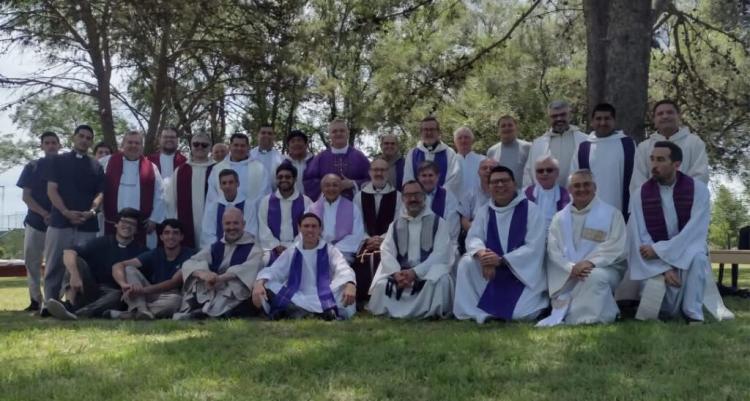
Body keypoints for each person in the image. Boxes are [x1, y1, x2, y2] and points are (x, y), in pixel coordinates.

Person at [627, 142, 733, 323]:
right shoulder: (640, 194)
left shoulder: (698, 190)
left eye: (660, 160)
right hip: (654, 265)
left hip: (687, 256)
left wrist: (660, 251)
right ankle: (665, 309)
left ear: (676, 164)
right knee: (655, 309)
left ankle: (693, 314)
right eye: (652, 159)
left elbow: (694, 232)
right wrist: (664, 268)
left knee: (699, 257)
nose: (654, 165)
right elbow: (640, 235)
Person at [453, 166, 548, 323]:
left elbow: (534, 247)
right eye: (495, 182)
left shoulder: (531, 211)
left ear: (514, 183)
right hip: (490, 271)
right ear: (489, 187)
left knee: (521, 315)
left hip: (520, 273)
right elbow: (473, 237)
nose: (500, 185)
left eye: (504, 181)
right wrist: (483, 255)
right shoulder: (485, 211)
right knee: (466, 262)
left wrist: (501, 260)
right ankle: (474, 311)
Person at [539, 170, 627, 326]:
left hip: (604, 267)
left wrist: (590, 263)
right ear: (570, 190)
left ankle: (590, 319)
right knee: (587, 275)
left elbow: (617, 244)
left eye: (586, 184)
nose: (582, 189)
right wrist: (570, 267)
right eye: (576, 186)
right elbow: (553, 249)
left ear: (595, 187)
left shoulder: (612, 214)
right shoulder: (559, 218)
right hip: (566, 272)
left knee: (593, 276)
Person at [368, 180, 454, 319]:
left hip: (425, 272)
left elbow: (441, 253)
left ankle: (429, 312)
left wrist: (415, 272)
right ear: (402, 199)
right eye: (408, 195)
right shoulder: (395, 225)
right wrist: (396, 273)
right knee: (382, 285)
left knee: (441, 282)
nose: (413, 199)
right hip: (401, 274)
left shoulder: (439, 223)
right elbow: (387, 251)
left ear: (424, 197)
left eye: (417, 194)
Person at [43, 125, 105, 312]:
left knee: (80, 266)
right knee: (54, 265)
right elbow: (51, 190)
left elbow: (100, 193)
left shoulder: (96, 165)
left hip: (87, 225)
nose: (84, 140)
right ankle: (49, 303)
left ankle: (72, 304)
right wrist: (65, 212)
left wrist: (92, 211)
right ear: (74, 137)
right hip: (60, 222)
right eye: (81, 136)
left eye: (88, 138)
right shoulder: (57, 161)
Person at [44, 208, 148, 320]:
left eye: (132, 224)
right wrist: (75, 275)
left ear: (136, 230)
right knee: (76, 261)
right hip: (90, 289)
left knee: (118, 297)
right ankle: (70, 303)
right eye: (123, 222)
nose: (127, 226)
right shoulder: (101, 242)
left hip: (117, 294)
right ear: (116, 224)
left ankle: (77, 312)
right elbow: (68, 252)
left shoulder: (142, 251)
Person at [252, 212, 357, 320]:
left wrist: (350, 284)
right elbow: (275, 270)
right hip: (297, 295)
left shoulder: (330, 250)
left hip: (325, 294)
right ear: (299, 228)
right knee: (269, 284)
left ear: (320, 229)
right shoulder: (293, 250)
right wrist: (259, 283)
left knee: (342, 290)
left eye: (314, 226)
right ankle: (319, 313)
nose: (310, 230)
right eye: (306, 226)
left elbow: (343, 268)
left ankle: (297, 312)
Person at [175, 207, 264, 319]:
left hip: (232, 289)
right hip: (213, 286)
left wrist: (219, 279)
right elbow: (190, 262)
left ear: (243, 224)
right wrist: (204, 275)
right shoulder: (216, 246)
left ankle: (207, 313)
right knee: (196, 278)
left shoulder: (254, 248)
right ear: (222, 225)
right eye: (228, 224)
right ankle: (202, 310)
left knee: (236, 286)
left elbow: (250, 269)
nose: (231, 227)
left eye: (236, 223)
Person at [111, 219, 195, 319]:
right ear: (161, 237)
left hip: (171, 295)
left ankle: (131, 314)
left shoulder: (189, 254)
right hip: (151, 294)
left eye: (175, 233)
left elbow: (174, 282)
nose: (171, 237)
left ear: (181, 237)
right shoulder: (155, 253)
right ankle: (142, 310)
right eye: (167, 233)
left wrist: (142, 291)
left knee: (175, 302)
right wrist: (124, 285)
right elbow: (118, 265)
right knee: (129, 269)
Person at [101, 130, 166, 248]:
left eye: (137, 143)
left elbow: (160, 194)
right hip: (112, 223)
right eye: (129, 142)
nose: (133, 146)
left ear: (142, 146)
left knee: (139, 260)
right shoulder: (107, 162)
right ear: (123, 144)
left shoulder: (151, 167)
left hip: (141, 226)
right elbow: (96, 188)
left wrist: (154, 219)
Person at [17, 131, 60, 311]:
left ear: (59, 145)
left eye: (54, 142)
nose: (50, 145)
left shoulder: (65, 167)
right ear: (42, 146)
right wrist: (43, 213)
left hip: (59, 224)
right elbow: (26, 197)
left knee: (57, 263)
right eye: (47, 143)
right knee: (32, 262)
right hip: (35, 222)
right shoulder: (32, 167)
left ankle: (55, 300)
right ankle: (35, 300)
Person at [630, 99, 709, 193]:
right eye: (660, 114)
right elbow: (638, 180)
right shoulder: (644, 147)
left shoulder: (694, 142)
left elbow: (700, 175)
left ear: (678, 116)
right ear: (654, 120)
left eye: (670, 112)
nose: (665, 116)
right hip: (652, 203)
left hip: (686, 202)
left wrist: (679, 196)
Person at [570, 103, 635, 215]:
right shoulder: (583, 148)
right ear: (592, 122)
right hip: (590, 210)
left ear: (614, 120)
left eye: (607, 118)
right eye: (598, 119)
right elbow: (573, 179)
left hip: (621, 209)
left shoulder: (628, 144)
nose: (602, 122)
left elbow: (636, 178)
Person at [352, 159, 401, 307]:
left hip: (389, 242)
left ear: (388, 173)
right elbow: (356, 223)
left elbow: (398, 222)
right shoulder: (359, 196)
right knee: (364, 261)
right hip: (366, 242)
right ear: (370, 172)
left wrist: (382, 239)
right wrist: (368, 239)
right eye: (375, 170)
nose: (379, 173)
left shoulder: (398, 196)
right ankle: (363, 298)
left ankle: (384, 299)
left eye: (383, 170)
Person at [206, 133, 269, 233]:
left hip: (252, 220)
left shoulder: (259, 168)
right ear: (230, 147)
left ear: (248, 147)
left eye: (242, 145)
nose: (239, 148)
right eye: (236, 145)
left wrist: (250, 210)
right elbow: (212, 197)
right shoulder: (217, 169)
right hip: (224, 220)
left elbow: (265, 195)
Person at [165, 132, 215, 248]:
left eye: (204, 145)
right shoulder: (181, 170)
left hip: (211, 223)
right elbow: (171, 200)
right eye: (196, 144)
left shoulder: (217, 169)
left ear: (210, 147)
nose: (199, 147)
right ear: (191, 146)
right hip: (186, 224)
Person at [523, 100, 587, 188]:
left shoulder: (584, 140)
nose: (559, 119)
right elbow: (528, 174)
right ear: (549, 118)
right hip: (545, 197)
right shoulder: (538, 144)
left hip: (577, 195)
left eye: (562, 115)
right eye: (554, 116)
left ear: (569, 115)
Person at [257, 164, 313, 264]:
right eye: (280, 177)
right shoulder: (266, 201)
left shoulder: (306, 202)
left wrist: (291, 247)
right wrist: (275, 245)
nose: (284, 179)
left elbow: (308, 228)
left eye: (288, 177)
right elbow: (263, 227)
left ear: (295, 179)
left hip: (298, 246)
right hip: (272, 248)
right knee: (263, 263)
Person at [303, 119, 370, 200]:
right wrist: (329, 186)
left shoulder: (359, 157)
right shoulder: (320, 158)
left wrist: (353, 183)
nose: (338, 133)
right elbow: (309, 181)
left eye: (342, 131)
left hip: (353, 205)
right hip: (326, 205)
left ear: (347, 133)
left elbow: (371, 180)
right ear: (330, 135)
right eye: (334, 131)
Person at [306, 174, 365, 262]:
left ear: (340, 188)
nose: (331, 189)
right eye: (327, 185)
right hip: (316, 250)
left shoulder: (352, 208)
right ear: (322, 188)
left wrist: (333, 249)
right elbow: (305, 231)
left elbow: (357, 234)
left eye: (335, 185)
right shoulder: (312, 209)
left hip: (343, 252)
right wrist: (321, 247)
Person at [403, 116, 462, 196]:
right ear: (421, 132)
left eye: (432, 129)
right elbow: (408, 178)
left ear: (438, 132)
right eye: (425, 130)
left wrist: (438, 195)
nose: (429, 133)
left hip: (443, 200)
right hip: (418, 200)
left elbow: (454, 179)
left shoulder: (449, 153)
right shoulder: (412, 153)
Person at [200, 169, 255, 247]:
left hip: (242, 247)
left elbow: (251, 230)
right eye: (224, 183)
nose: (227, 186)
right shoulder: (213, 207)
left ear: (238, 183)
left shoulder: (248, 205)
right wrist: (220, 248)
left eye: (231, 182)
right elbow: (207, 233)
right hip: (218, 249)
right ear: (220, 186)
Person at [416, 161, 460, 242]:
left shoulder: (448, 196)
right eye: (424, 176)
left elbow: (453, 226)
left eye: (431, 175)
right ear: (418, 177)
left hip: (444, 242)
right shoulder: (413, 196)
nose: (427, 179)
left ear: (438, 176)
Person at [524, 155, 570, 230]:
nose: (545, 173)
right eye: (540, 171)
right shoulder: (526, 193)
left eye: (549, 170)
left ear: (557, 173)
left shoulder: (566, 195)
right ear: (536, 174)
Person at [486, 115, 531, 184]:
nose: (507, 128)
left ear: (516, 128)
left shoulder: (528, 148)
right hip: (499, 192)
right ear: (498, 130)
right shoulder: (492, 151)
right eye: (503, 126)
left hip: (523, 193)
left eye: (510, 125)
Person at [458, 158, 498, 234]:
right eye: (484, 168)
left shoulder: (505, 193)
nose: (488, 171)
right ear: (478, 172)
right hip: (475, 235)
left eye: (492, 168)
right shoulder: (469, 194)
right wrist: (479, 234)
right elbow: (464, 221)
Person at [250, 125, 283, 190]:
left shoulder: (280, 158)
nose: (266, 135)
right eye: (263, 133)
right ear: (258, 135)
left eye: (270, 133)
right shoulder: (249, 155)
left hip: (272, 197)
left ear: (274, 137)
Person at [281, 129, 313, 194]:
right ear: (288, 146)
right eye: (292, 141)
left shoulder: (315, 162)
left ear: (306, 144)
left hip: (314, 203)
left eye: (299, 140)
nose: (296, 143)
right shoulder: (282, 164)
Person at [453, 126, 485, 193]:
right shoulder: (450, 161)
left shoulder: (483, 160)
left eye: (466, 137)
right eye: (459, 138)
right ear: (455, 141)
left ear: (472, 140)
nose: (463, 140)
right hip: (454, 202)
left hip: (479, 201)